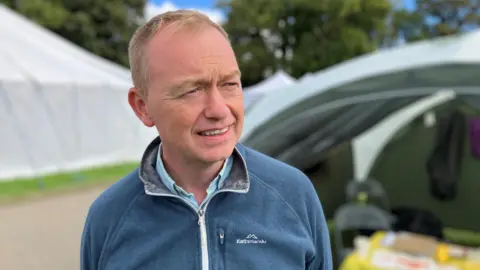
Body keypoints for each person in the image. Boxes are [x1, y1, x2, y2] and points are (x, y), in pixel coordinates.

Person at [80, 9, 333, 270]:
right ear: (143, 106)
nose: (219, 110)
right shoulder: (108, 217)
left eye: (229, 85)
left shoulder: (293, 194)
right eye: (192, 90)